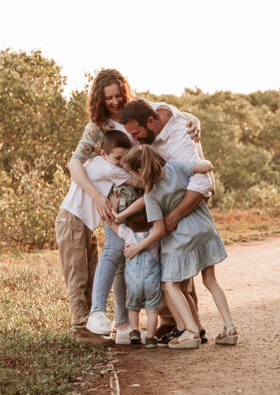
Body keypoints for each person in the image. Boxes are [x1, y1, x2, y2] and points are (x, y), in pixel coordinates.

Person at [66, 69, 201, 344]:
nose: (115, 102)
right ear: (99, 99)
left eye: (119, 95)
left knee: (164, 253)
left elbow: (172, 113)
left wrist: (195, 119)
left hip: (151, 193)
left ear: (125, 92)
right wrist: (96, 196)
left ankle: (178, 321)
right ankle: (124, 324)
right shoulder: (98, 126)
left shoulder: (136, 110)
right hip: (124, 199)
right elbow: (74, 163)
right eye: (109, 98)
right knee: (121, 258)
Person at [119, 145, 238, 349]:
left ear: (139, 172)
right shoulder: (176, 166)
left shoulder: (152, 195)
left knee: (169, 285)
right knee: (210, 280)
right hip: (205, 229)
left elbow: (159, 231)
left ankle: (190, 332)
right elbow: (207, 165)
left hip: (182, 239)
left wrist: (137, 248)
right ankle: (230, 328)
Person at [117, 99, 214, 343]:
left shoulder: (179, 139)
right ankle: (191, 328)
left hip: (188, 208)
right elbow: (168, 110)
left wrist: (175, 215)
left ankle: (188, 328)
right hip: (169, 205)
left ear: (151, 122)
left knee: (172, 279)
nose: (136, 139)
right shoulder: (151, 110)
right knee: (174, 277)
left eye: (137, 133)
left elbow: (204, 183)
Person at [55, 130, 134, 346]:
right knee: (77, 276)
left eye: (123, 159)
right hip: (72, 222)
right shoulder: (105, 166)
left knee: (91, 273)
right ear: (103, 153)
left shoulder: (105, 164)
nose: (120, 163)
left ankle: (91, 326)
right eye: (118, 158)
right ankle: (81, 328)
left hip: (84, 224)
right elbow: (136, 181)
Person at [108, 207, 162, 349]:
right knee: (152, 311)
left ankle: (135, 331)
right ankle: (150, 338)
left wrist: (112, 209)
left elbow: (112, 224)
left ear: (129, 223)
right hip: (152, 283)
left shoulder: (128, 233)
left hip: (133, 284)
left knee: (133, 308)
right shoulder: (153, 235)